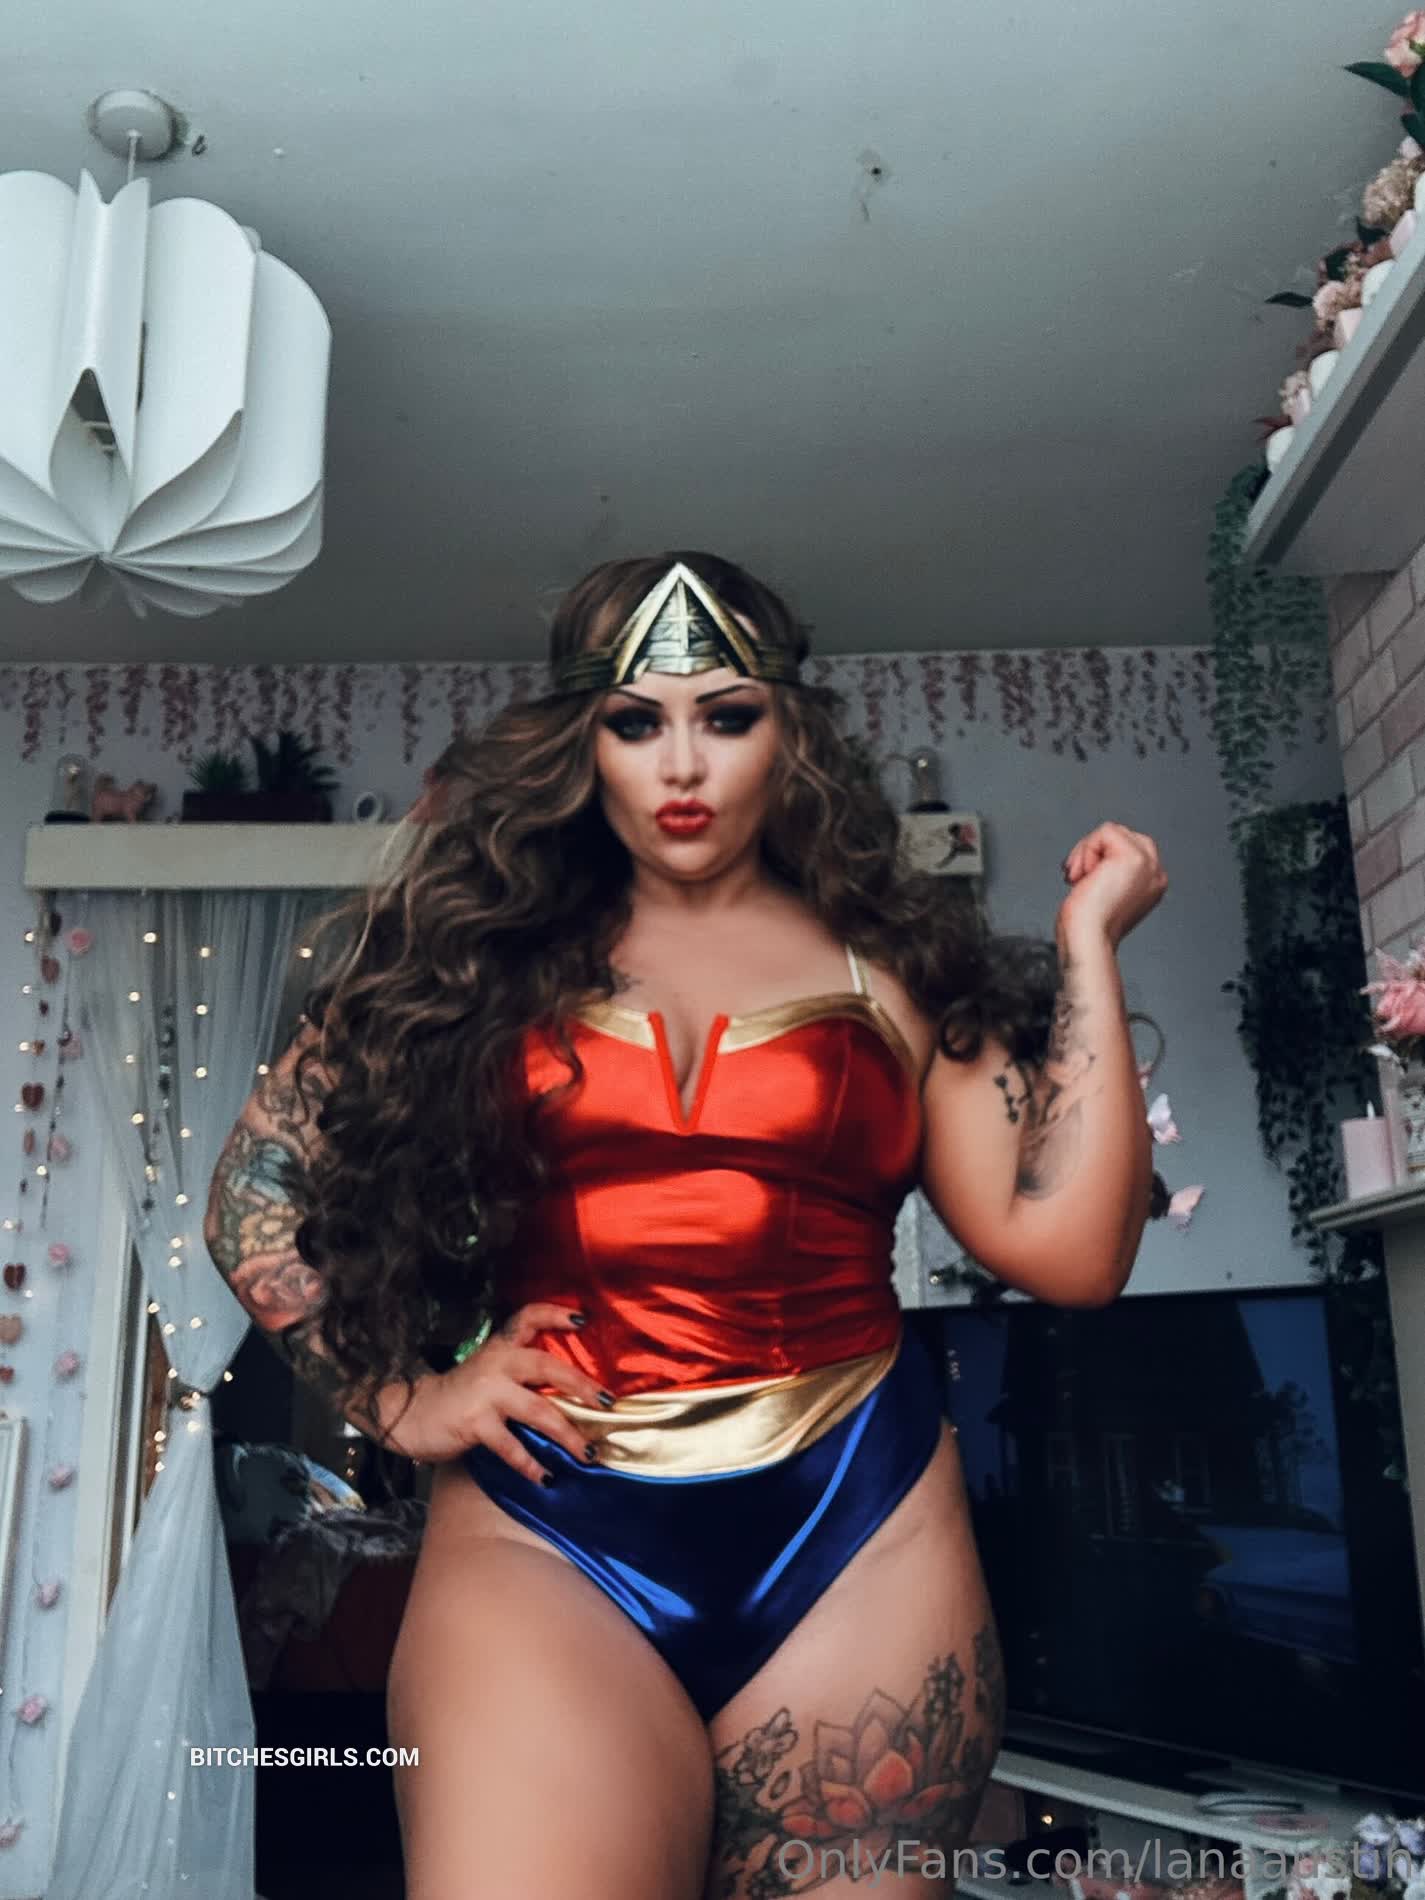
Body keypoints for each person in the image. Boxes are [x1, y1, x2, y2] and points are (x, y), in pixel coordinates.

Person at [204, 551, 1167, 1899]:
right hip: (545, 1540)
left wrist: (1088, 944)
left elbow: (1071, 1253)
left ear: (790, 730)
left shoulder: (897, 967)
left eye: (726, 716)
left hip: (860, 1534)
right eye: (634, 721)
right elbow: (254, 1192)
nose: (682, 766)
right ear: (581, 742)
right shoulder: (470, 958)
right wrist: (400, 1399)